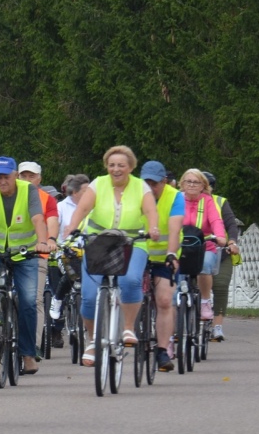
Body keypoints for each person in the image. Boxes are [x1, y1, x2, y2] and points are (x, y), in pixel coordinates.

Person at [63, 146, 160, 367]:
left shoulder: (140, 186)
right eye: (112, 165)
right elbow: (83, 209)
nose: (116, 169)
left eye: (121, 165)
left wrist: (153, 228)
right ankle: (91, 340)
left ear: (130, 168)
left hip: (132, 241)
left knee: (131, 280)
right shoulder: (98, 184)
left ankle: (128, 327)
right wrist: (72, 226)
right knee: (88, 296)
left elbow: (150, 212)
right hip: (100, 241)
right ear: (107, 166)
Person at [0, 156, 51, 374]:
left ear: (15, 175)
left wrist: (43, 243)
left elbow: (37, 219)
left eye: (7, 176)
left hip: (25, 253)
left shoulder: (28, 191)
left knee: (28, 303)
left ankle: (27, 355)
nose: (2, 180)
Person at [137, 161, 184, 372]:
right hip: (139, 254)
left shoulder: (175, 197)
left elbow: (174, 230)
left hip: (165, 255)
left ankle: (163, 350)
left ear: (164, 182)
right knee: (129, 292)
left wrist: (171, 254)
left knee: (164, 300)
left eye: (154, 183)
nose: (149, 188)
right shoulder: (134, 195)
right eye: (145, 182)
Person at [178, 168, 227, 329]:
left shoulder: (207, 201)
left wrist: (220, 236)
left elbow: (216, 221)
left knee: (205, 266)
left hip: (204, 246)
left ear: (203, 186)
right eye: (188, 181)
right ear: (182, 184)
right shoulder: (177, 199)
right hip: (180, 246)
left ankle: (205, 301)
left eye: (196, 182)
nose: (191, 185)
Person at [17, 160, 58, 352]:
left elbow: (52, 221)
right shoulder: (6, 195)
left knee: (34, 299)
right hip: (8, 252)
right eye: (23, 176)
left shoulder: (46, 199)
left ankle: (32, 346)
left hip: (35, 254)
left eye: (31, 176)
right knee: (3, 293)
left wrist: (50, 239)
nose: (26, 179)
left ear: (39, 179)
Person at [47, 172, 89, 347]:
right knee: (70, 272)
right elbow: (54, 231)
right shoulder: (61, 208)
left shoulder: (93, 208)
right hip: (66, 252)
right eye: (85, 191)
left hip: (87, 252)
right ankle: (57, 300)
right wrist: (54, 242)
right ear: (75, 192)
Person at [202, 171, 241, 341]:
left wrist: (231, 242)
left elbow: (231, 224)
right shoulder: (183, 200)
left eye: (206, 186)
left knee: (220, 286)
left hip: (219, 253)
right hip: (192, 251)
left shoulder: (220, 202)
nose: (203, 189)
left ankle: (217, 326)